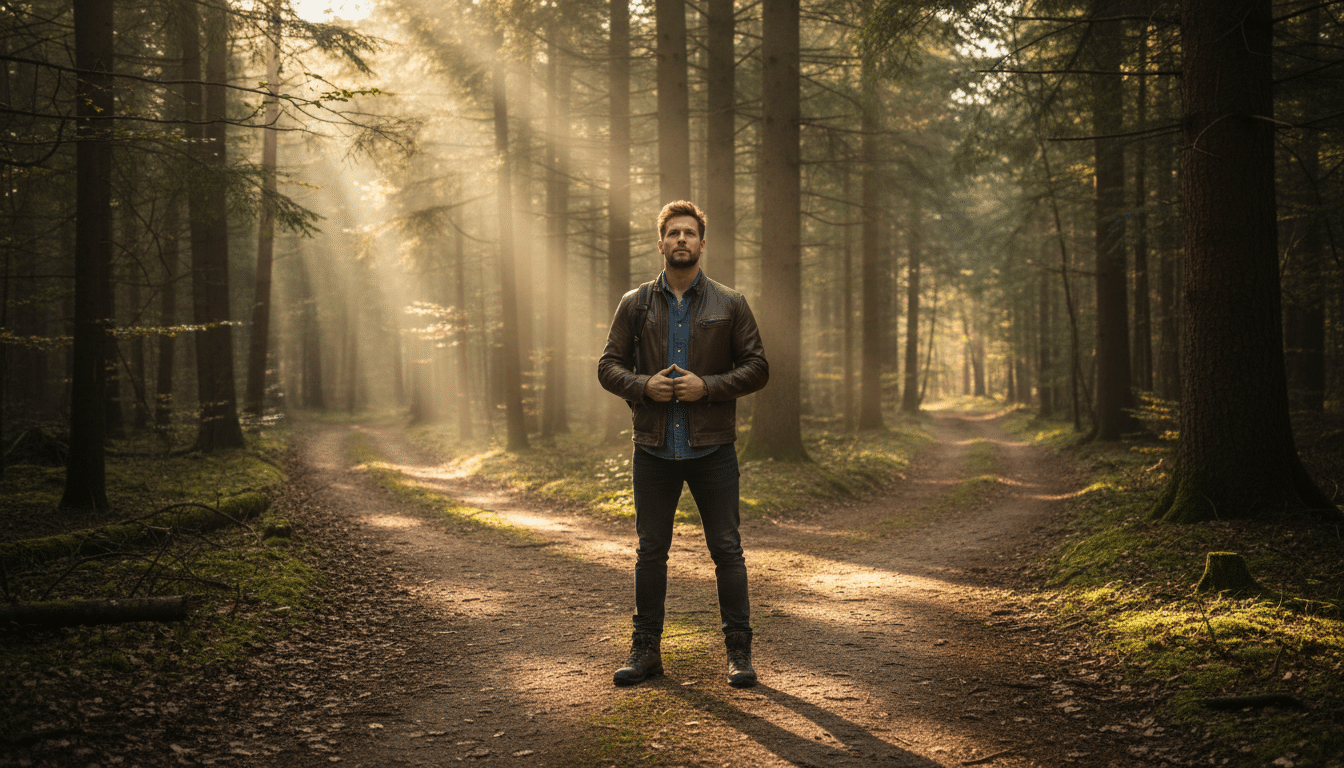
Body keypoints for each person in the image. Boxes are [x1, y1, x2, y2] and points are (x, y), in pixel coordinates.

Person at [597, 200, 769, 688]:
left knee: (727, 550)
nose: (681, 240)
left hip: (713, 449)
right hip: (653, 449)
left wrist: (707, 386)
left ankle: (739, 653)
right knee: (650, 552)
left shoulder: (730, 303)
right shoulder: (635, 303)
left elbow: (758, 367)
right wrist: (643, 385)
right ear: (660, 243)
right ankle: (646, 651)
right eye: (673, 233)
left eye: (689, 233)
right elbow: (607, 366)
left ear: (702, 243)